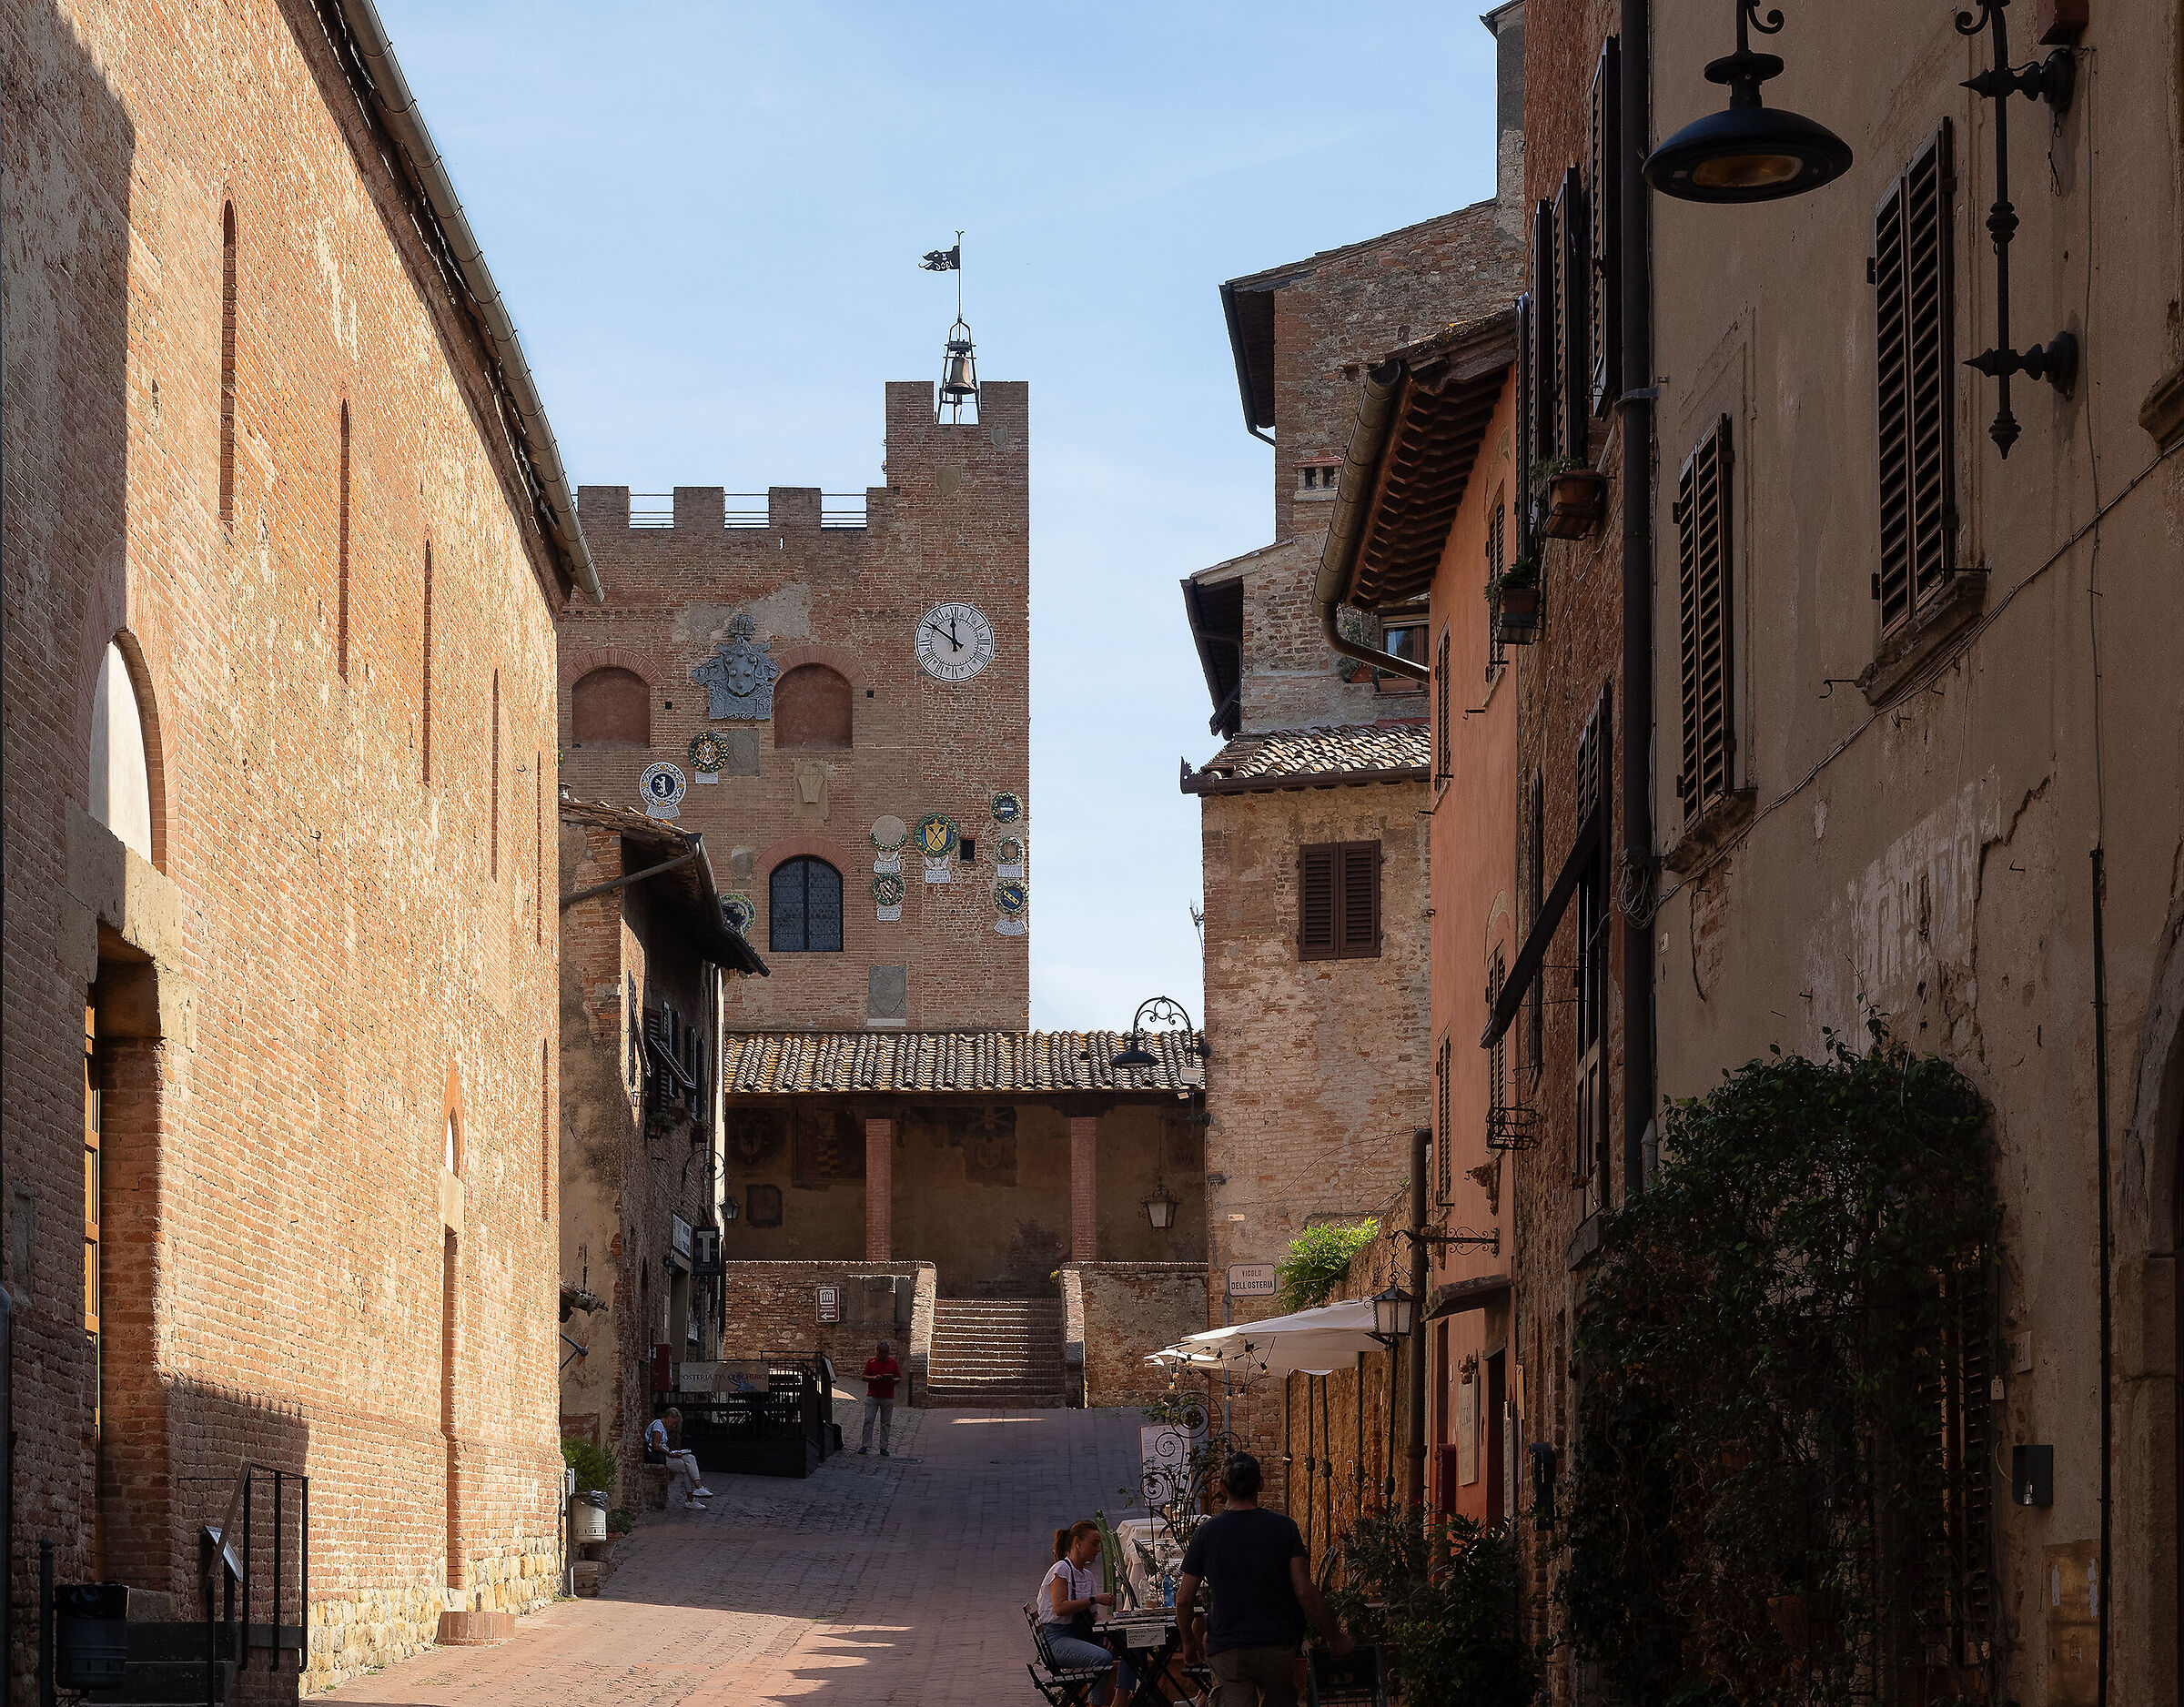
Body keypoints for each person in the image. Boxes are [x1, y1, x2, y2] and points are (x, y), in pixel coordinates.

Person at [1177, 1453, 1350, 1707]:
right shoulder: (1284, 1528)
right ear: (1261, 1484)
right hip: (1275, 1645)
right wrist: (1335, 1636)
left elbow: (1184, 1599)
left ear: (1222, 1488)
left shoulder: (1207, 1532)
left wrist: (1188, 1641)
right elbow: (1304, 1591)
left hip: (1228, 1649)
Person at [1036, 1520, 1135, 1706]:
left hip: (1083, 1634)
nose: (1098, 1549)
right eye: (1094, 1543)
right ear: (1077, 1543)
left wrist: (1105, 1634)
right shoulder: (1061, 1570)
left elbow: (1094, 1617)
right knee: (1101, 1658)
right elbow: (1060, 1607)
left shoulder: (1087, 1576)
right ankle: (1094, 1704)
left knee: (1131, 1640)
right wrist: (1094, 1599)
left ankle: (1121, 1697)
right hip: (1057, 1639)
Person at [644, 1409, 711, 1508]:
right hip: (658, 1456)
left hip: (663, 1454)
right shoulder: (658, 1425)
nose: (673, 1426)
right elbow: (656, 1445)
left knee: (690, 1458)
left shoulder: (661, 1426)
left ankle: (697, 1489)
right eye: (673, 1423)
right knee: (686, 1467)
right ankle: (693, 1496)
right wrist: (671, 1454)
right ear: (670, 1416)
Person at [859, 1338, 901, 1456]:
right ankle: (865, 1445)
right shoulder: (871, 1362)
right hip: (873, 1395)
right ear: (877, 1351)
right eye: (881, 1352)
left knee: (885, 1423)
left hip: (888, 1396)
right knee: (868, 1421)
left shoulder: (892, 1363)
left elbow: (899, 1378)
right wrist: (873, 1378)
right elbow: (863, 1377)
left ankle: (884, 1447)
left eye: (885, 1353)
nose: (883, 1355)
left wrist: (892, 1380)